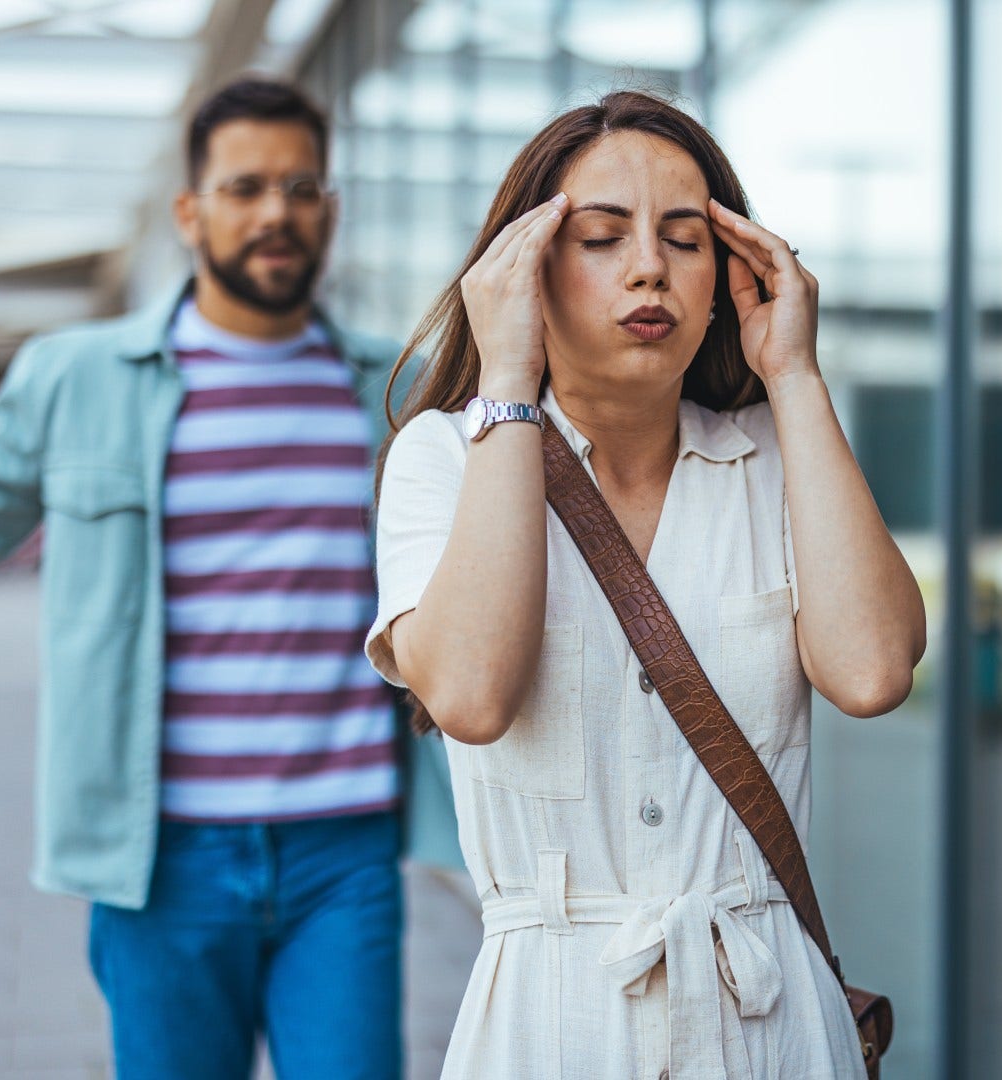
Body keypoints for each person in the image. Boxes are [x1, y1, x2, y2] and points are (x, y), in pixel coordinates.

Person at [0, 76, 461, 1079]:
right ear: (190, 212)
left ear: (329, 210)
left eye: (302, 188)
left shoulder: (400, 391)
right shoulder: (76, 378)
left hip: (344, 852)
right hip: (160, 858)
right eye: (246, 186)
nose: (276, 213)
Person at [365, 89, 927, 1079]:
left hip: (772, 1023)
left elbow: (873, 670)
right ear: (524, 266)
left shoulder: (777, 457)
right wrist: (506, 377)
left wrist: (794, 376)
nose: (648, 269)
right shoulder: (444, 459)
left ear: (728, 275)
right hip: (550, 1020)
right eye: (601, 237)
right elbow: (469, 694)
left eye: (684, 238)